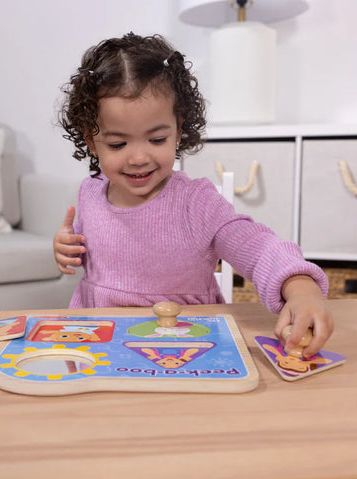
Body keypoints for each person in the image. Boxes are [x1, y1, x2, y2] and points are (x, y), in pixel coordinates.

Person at [53, 32, 333, 358]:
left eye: (156, 139)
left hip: (186, 349)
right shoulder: (90, 191)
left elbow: (258, 248)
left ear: (178, 127)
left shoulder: (197, 202)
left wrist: (301, 289)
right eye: (118, 144)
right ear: (90, 139)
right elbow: (99, 257)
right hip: (100, 347)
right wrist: (67, 246)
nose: (139, 157)